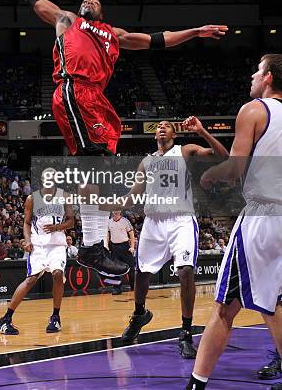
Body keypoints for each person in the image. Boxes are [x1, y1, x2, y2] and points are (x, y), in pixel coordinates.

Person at [18, 0, 228, 277]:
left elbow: (160, 39)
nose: (88, 1)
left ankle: (91, 247)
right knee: (95, 164)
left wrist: (197, 31)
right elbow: (34, 0)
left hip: (96, 101)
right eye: (85, 0)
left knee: (101, 166)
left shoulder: (114, 34)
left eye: (95, 1)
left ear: (102, 13)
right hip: (74, 88)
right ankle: (90, 247)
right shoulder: (68, 21)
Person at [185, 54, 282, 389]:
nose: (252, 77)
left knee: (225, 307)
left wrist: (211, 174)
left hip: (263, 216)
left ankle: (197, 383)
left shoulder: (254, 109)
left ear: (268, 77)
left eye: (257, 70)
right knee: (276, 303)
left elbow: (235, 167)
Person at [121, 117, 228, 359]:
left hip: (180, 219)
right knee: (142, 272)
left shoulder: (185, 150)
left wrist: (201, 131)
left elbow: (223, 156)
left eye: (167, 125)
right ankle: (139, 314)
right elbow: (134, 193)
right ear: (154, 135)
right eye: (158, 125)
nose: (161, 127)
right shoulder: (147, 161)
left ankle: (186, 332)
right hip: (153, 221)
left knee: (185, 271)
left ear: (174, 134)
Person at [0, 169, 74, 335]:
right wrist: (28, 240)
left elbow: (71, 222)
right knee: (31, 280)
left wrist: (57, 227)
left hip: (57, 245)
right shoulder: (32, 199)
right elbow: (26, 223)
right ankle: (6, 318)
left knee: (58, 274)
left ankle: (55, 317)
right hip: (39, 245)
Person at [107, 211, 135, 294]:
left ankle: (134, 287)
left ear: (120, 211)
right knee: (115, 270)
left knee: (131, 269)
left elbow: (131, 233)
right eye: (114, 210)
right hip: (114, 247)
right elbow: (107, 235)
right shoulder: (109, 222)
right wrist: (106, 246)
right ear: (112, 212)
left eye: (117, 210)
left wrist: (132, 247)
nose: (116, 212)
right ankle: (117, 288)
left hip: (125, 247)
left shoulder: (125, 221)